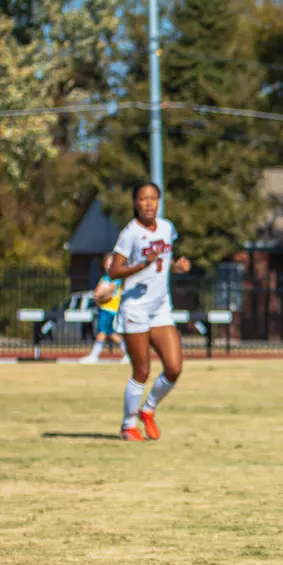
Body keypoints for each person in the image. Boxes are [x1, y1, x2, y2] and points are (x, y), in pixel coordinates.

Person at [105, 183, 191, 441]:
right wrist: (141, 265)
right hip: (135, 309)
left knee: (174, 368)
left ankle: (148, 409)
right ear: (136, 203)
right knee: (142, 370)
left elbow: (163, 266)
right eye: (143, 199)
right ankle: (127, 425)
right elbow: (114, 271)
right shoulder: (130, 233)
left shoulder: (167, 228)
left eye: (153, 198)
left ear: (159, 201)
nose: (149, 203)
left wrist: (177, 267)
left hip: (161, 307)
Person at [77, 273, 122, 364]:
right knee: (110, 333)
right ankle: (129, 354)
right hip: (103, 308)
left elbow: (109, 292)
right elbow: (97, 291)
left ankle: (94, 355)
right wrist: (99, 294)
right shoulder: (105, 277)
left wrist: (100, 294)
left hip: (111, 309)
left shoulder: (117, 277)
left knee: (102, 332)